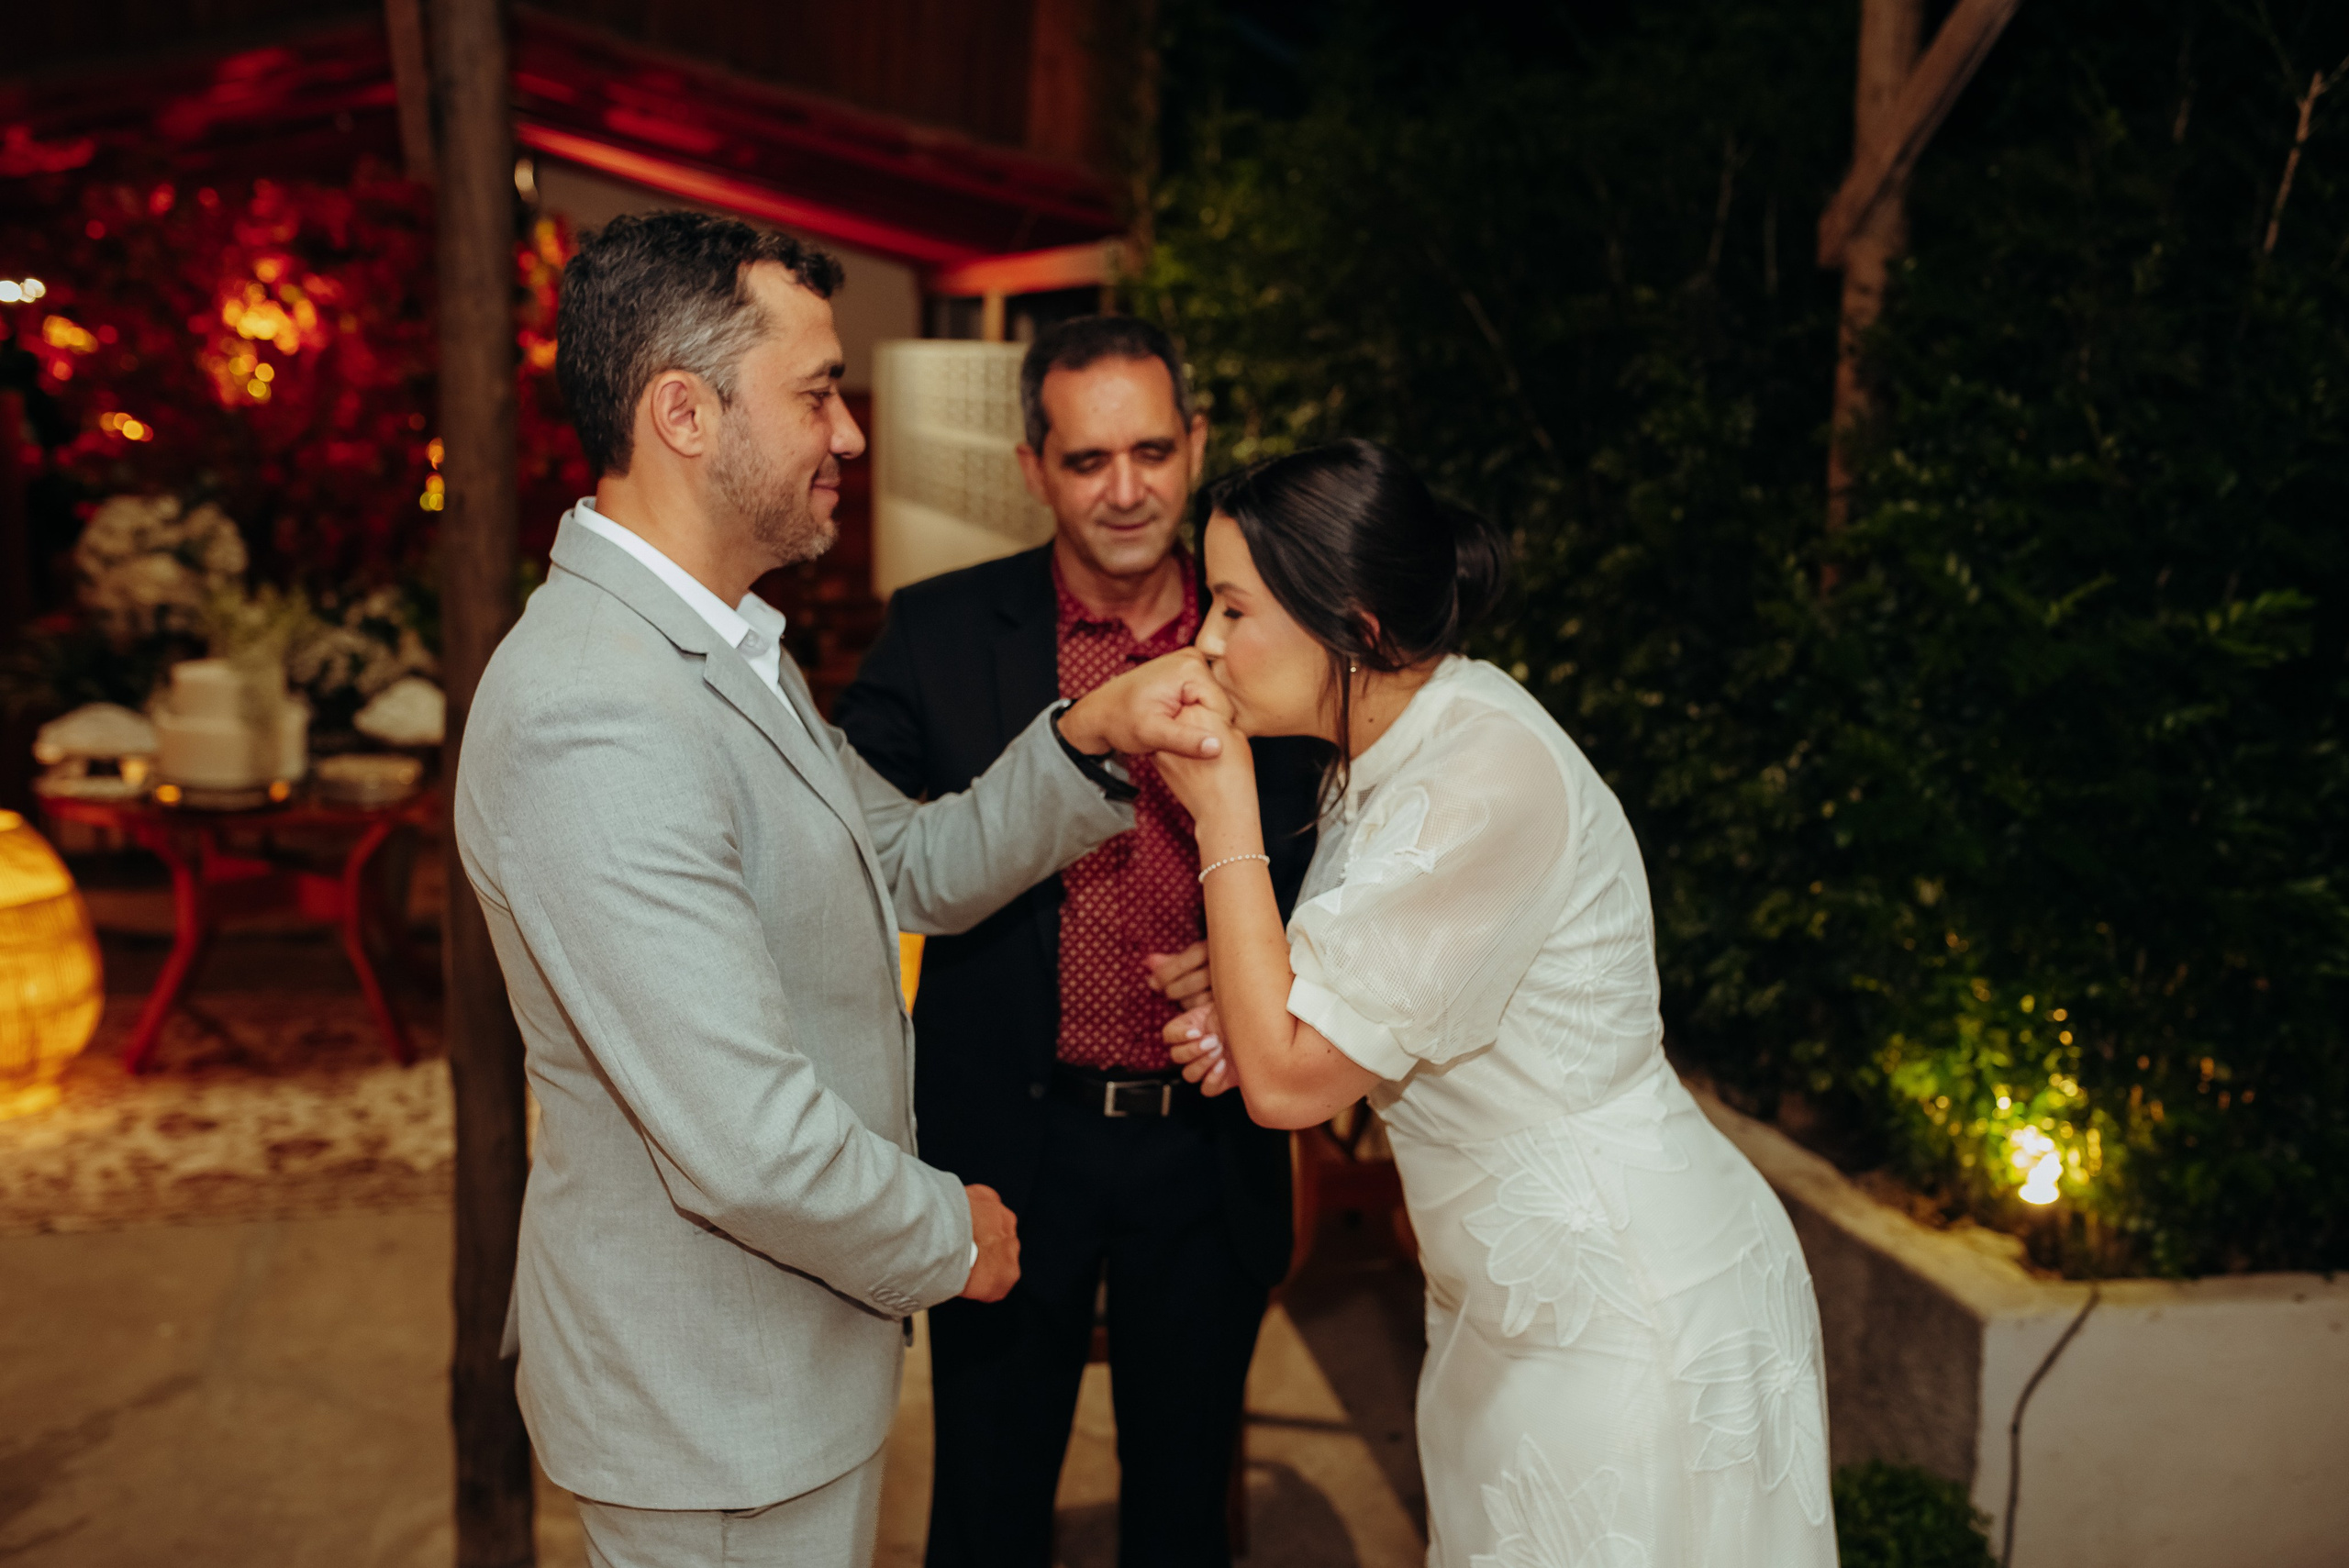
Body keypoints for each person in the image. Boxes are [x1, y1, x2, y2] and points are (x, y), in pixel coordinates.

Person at [453, 214, 1234, 1568]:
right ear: (685, 414)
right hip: (707, 1403)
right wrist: (954, 1233)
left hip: (775, 1382)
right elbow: (744, 1139)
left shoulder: (719, 649)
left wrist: (1082, 739)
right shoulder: (599, 709)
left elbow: (905, 862)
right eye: (817, 392)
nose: (850, 432)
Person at [1150, 439, 1839, 1567]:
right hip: (1506, 1306)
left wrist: (1221, 814)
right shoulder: (1391, 739)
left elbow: (1285, 1084)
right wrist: (1252, 991)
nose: (1206, 643)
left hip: (1626, 1308)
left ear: (1355, 625)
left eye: (1231, 608)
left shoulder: (1482, 772)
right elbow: (1358, 988)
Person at [833, 316, 1324, 1567]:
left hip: (1203, 1148)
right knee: (986, 1518)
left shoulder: (1272, 635)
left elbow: (1362, 834)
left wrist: (1283, 955)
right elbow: (850, 849)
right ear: (1033, 466)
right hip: (1010, 1137)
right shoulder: (940, 632)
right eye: (1089, 459)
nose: (1126, 490)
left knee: (1182, 1523)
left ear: (1197, 445)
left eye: (1154, 452)